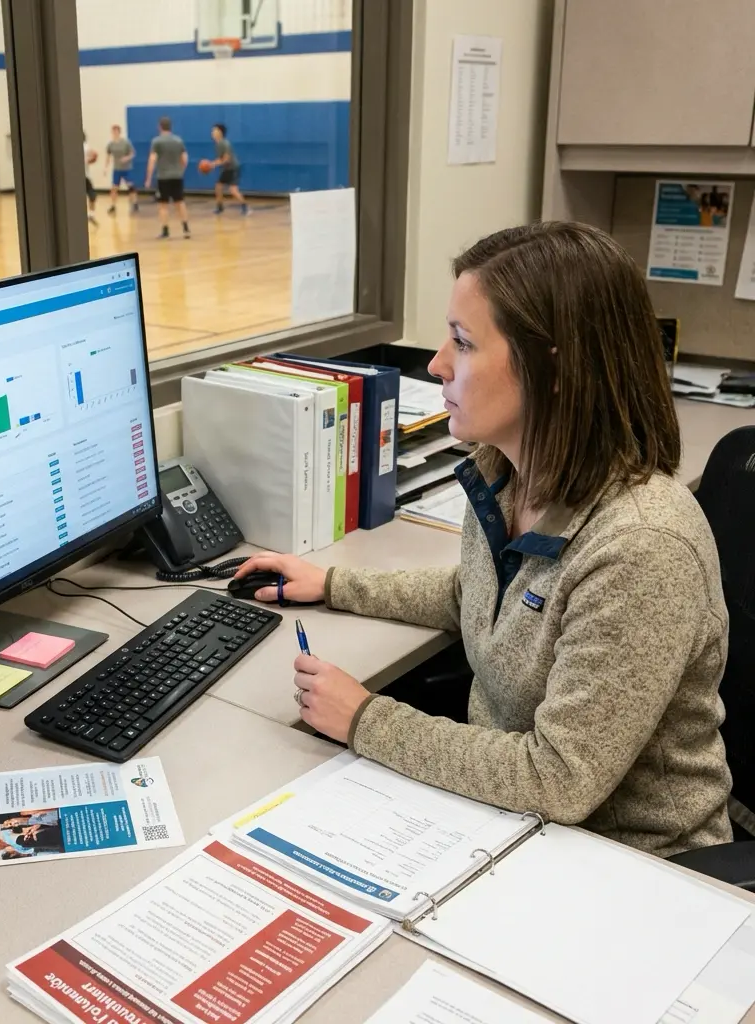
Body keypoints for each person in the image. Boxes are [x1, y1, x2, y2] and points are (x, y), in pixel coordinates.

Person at [235, 221, 733, 859]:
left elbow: (559, 778)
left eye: (463, 343)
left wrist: (365, 719)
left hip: (632, 867)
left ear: (553, 369)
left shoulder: (642, 546)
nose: (437, 364)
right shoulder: (504, 474)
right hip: (507, 823)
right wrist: (334, 585)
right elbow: (479, 599)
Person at [145, 116, 190, 240]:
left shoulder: (157, 141)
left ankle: (165, 231)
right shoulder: (178, 140)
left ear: (159, 126)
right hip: (177, 176)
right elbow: (185, 158)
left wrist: (148, 177)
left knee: (163, 205)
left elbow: (152, 159)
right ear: (171, 126)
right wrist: (180, 170)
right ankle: (186, 229)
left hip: (163, 177)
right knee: (180, 202)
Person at [210, 123, 248, 216]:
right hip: (226, 169)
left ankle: (245, 207)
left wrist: (214, 164)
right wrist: (211, 163)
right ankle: (220, 207)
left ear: (220, 132)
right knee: (218, 186)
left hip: (233, 168)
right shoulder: (218, 144)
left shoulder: (225, 143)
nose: (212, 132)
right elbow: (220, 159)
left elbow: (226, 159)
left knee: (233, 190)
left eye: (214, 130)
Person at [105, 125, 138, 215]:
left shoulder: (126, 143)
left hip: (126, 168)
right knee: (114, 188)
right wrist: (106, 168)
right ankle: (113, 206)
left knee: (131, 187)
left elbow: (133, 154)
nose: (115, 133)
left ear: (119, 132)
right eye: (113, 131)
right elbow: (108, 156)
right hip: (117, 169)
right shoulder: (110, 144)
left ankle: (134, 203)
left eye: (116, 131)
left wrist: (126, 158)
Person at [84, 133, 99, 225]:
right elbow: (95, 155)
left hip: (78, 175)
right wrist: (89, 161)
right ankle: (91, 214)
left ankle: (90, 215)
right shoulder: (86, 146)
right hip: (85, 176)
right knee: (92, 195)